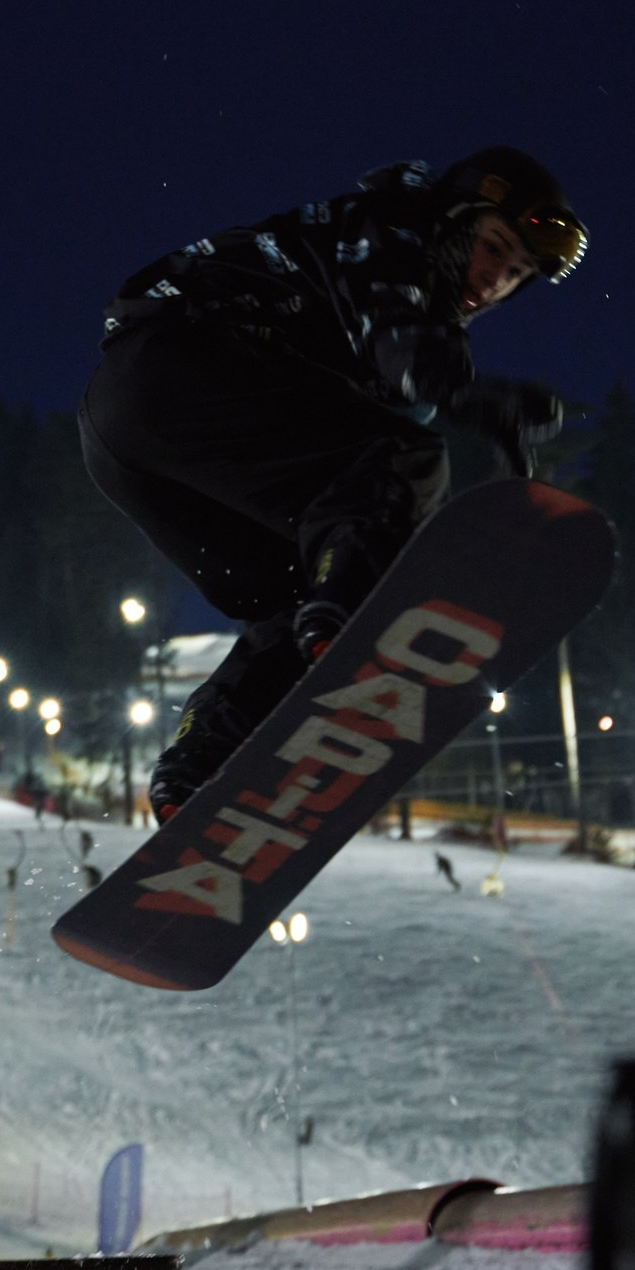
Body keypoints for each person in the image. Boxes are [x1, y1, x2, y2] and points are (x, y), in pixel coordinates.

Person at [81, 150, 584, 818]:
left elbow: (391, 396)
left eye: (515, 274)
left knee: (291, 590)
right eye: (493, 249)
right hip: (178, 365)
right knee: (404, 460)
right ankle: (345, 619)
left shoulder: (430, 325)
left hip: (128, 445)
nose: (492, 280)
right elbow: (401, 350)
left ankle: (203, 763)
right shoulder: (391, 228)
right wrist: (472, 399)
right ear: (455, 219)